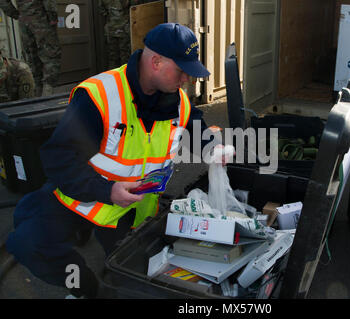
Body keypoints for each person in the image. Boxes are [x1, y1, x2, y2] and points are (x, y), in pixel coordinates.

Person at [6, 23, 219, 299]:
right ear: (156, 62)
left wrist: (213, 147)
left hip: (134, 209)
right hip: (86, 196)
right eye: (182, 71)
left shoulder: (176, 99)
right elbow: (59, 159)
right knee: (27, 242)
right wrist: (106, 191)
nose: (187, 80)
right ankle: (85, 290)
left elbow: (193, 125)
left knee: (139, 285)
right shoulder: (100, 97)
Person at [0, 0, 61, 96]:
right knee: (51, 55)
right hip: (41, 18)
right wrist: (53, 15)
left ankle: (36, 93)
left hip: (23, 21)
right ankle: (48, 93)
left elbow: (3, 2)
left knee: (32, 55)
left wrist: (16, 14)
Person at [99, 0, 141, 69]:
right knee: (125, 57)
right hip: (124, 29)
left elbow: (102, 11)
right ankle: (124, 77)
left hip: (111, 29)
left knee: (112, 58)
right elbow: (135, 6)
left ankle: (112, 77)